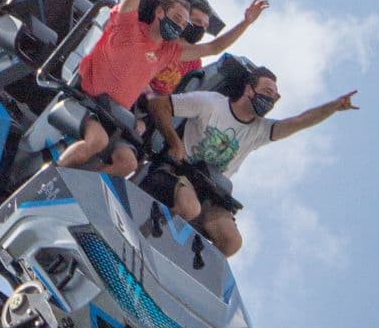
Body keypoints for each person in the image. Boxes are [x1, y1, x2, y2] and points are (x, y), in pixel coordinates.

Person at [55, 0, 268, 176]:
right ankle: (52, 178)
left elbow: (213, 48)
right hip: (87, 100)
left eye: (184, 24)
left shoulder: (168, 52)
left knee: (128, 165)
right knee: (97, 141)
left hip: (116, 117)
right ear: (159, 12)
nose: (179, 26)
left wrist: (245, 23)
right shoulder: (128, 26)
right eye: (177, 18)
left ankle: (75, 183)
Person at [145, 69, 359, 257]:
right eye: (267, 92)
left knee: (232, 242)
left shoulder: (260, 130)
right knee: (189, 207)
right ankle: (144, 239)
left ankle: (180, 268)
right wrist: (175, 143)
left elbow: (299, 121)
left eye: (275, 98)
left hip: (211, 193)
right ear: (249, 89)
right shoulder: (211, 103)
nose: (270, 99)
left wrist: (334, 106)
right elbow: (158, 104)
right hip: (181, 173)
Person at [148, 0, 214, 96]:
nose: (201, 28)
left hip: (159, 104)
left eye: (205, 26)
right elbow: (144, 56)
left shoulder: (195, 61)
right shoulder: (163, 35)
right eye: (197, 22)